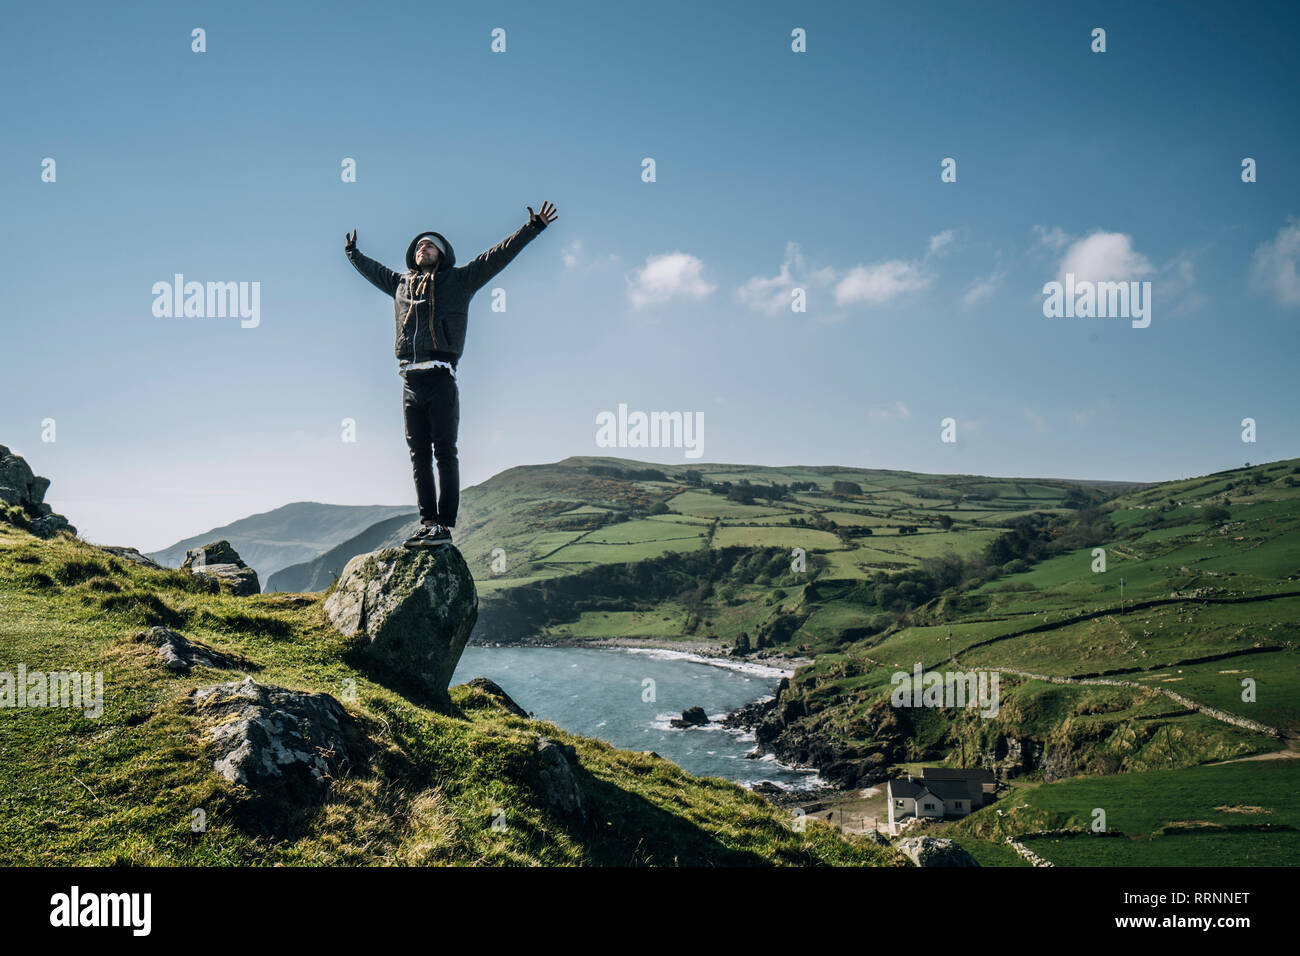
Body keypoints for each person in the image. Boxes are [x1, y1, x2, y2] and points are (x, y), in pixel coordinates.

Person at [345, 201, 557, 547]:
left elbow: (497, 256)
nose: (421, 248)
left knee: (445, 452)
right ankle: (427, 522)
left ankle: (444, 526)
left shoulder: (459, 281)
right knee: (418, 456)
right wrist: (353, 253)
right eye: (417, 247)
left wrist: (532, 229)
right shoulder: (400, 284)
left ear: (441, 253)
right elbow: (373, 270)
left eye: (428, 245)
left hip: (441, 377)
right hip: (409, 381)